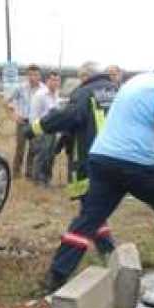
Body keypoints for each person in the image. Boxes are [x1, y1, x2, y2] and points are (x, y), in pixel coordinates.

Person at [43, 55, 154, 292]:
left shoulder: (136, 81)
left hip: (102, 159)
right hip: (138, 163)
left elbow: (142, 123)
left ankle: (56, 276)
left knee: (89, 218)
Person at [26, 63, 118, 254]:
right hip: (114, 158)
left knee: (89, 211)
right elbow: (83, 120)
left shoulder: (84, 93)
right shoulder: (116, 91)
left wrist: (34, 129)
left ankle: (63, 266)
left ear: (84, 77)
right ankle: (106, 248)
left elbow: (65, 116)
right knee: (95, 208)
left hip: (91, 158)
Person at [5, 64, 45, 179]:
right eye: (31, 75)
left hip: (36, 123)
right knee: (20, 149)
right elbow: (7, 101)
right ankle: (16, 173)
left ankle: (29, 173)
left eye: (36, 74)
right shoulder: (20, 88)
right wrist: (13, 115)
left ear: (40, 76)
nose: (33, 77)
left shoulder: (44, 90)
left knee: (33, 149)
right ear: (27, 76)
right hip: (22, 122)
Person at [30, 71, 61, 185]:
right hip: (42, 130)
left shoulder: (56, 94)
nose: (55, 82)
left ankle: (47, 179)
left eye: (57, 80)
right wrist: (36, 134)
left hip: (53, 131)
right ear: (47, 81)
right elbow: (34, 115)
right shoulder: (40, 95)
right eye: (52, 80)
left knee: (51, 156)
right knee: (41, 156)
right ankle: (37, 180)